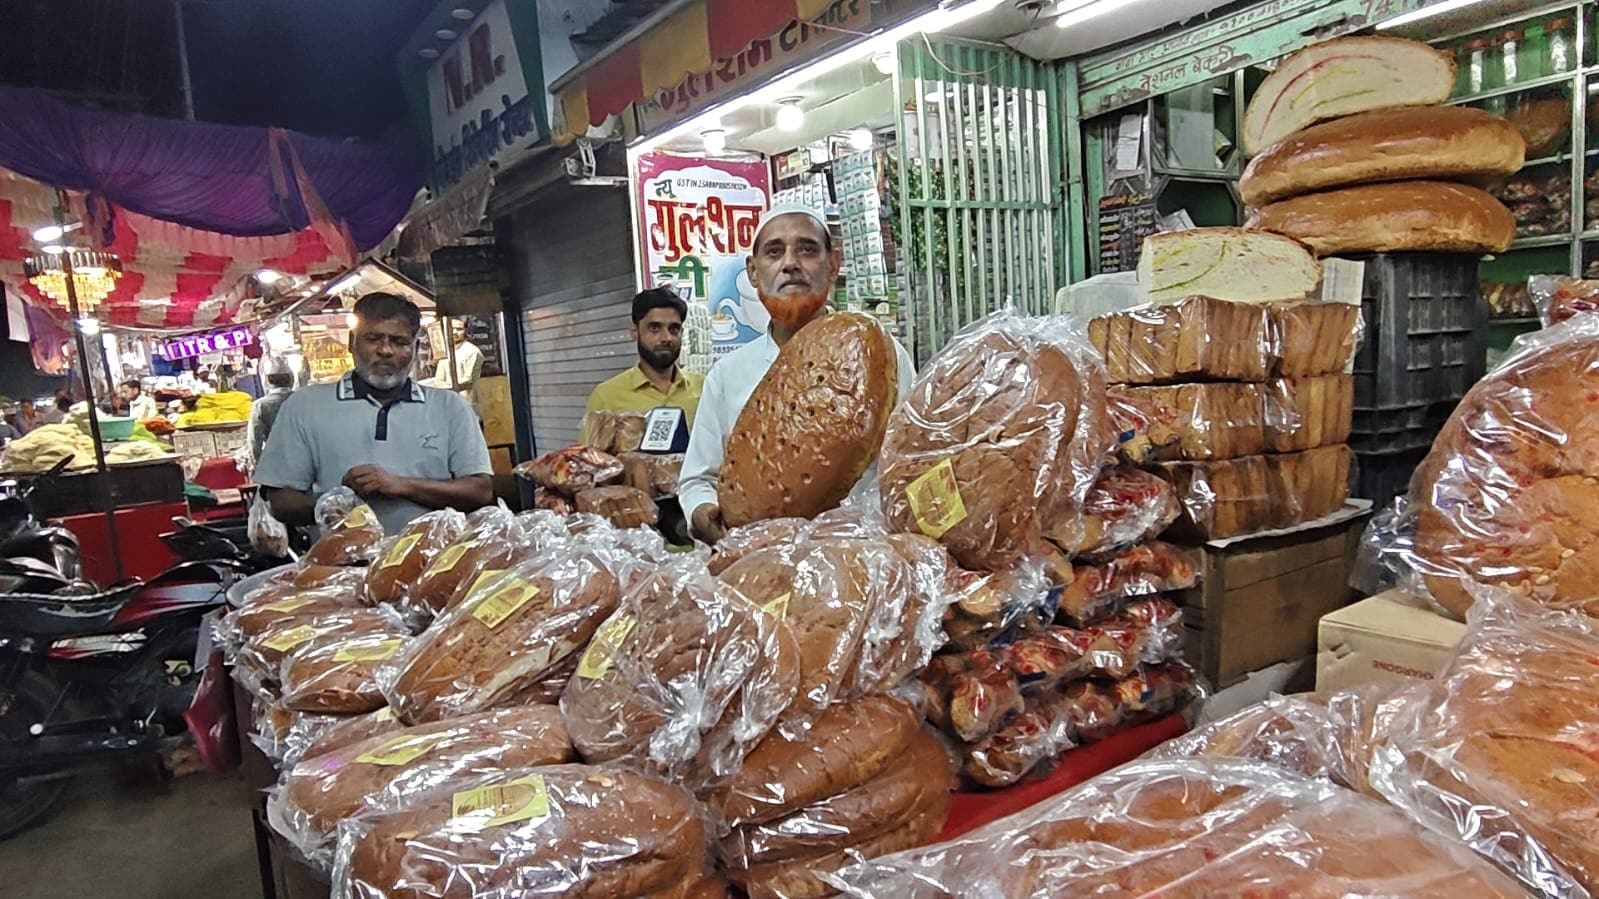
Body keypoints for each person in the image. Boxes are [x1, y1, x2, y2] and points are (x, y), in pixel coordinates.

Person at [678, 204, 914, 544]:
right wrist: (703, 512)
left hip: (864, 555)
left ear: (833, 264)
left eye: (807, 250)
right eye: (774, 252)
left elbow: (915, 461)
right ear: (754, 272)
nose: (790, 263)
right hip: (764, 563)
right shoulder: (727, 375)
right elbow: (698, 480)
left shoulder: (881, 355)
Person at [255, 292, 494, 534]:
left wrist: (400, 485)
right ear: (352, 342)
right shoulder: (304, 406)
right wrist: (337, 502)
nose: (385, 350)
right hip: (345, 567)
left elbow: (480, 491)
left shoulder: (450, 407)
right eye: (373, 338)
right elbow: (281, 502)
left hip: (435, 566)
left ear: (416, 347)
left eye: (399, 341)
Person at [579, 288, 705, 445]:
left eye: (674, 329)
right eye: (654, 328)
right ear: (634, 331)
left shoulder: (705, 388)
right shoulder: (606, 397)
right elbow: (591, 462)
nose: (666, 337)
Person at [247, 358, 296, 466]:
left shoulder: (260, 406)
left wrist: (258, 467)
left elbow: (254, 441)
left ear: (268, 381)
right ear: (291, 379)